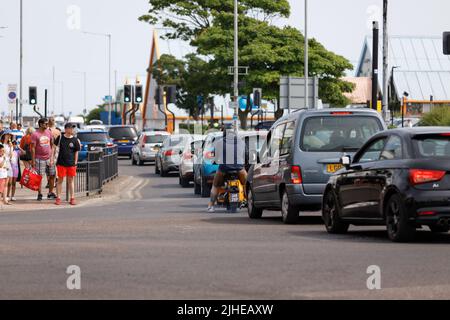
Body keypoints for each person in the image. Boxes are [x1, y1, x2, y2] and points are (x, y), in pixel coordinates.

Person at [207, 129, 247, 213]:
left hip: (224, 168)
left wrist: (215, 161)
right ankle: (250, 201)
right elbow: (245, 155)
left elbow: (216, 156)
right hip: (239, 168)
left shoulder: (219, 142)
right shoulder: (241, 142)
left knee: (215, 185)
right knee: (247, 184)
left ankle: (211, 206)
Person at [54, 123, 81, 206]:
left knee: (71, 181)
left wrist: (75, 162)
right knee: (60, 181)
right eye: (70, 128)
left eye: (73, 128)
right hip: (61, 163)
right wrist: (52, 158)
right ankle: (58, 198)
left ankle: (72, 198)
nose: (72, 130)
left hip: (71, 164)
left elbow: (76, 151)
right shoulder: (60, 138)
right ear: (66, 129)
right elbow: (54, 147)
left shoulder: (75, 140)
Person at [31, 118, 56, 201]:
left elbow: (53, 145)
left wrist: (52, 157)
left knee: (52, 175)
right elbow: (33, 148)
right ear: (40, 124)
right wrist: (33, 160)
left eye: (47, 124)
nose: (47, 125)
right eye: (45, 124)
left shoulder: (49, 132)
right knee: (39, 177)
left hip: (49, 158)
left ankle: (50, 193)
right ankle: (39, 193)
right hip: (39, 159)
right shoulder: (35, 134)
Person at [1, 131, 14, 205]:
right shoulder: (1, 144)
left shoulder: (10, 145)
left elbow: (11, 156)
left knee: (7, 182)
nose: (9, 136)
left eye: (10, 135)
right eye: (7, 135)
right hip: (2, 164)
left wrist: (11, 147)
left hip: (8, 163)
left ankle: (5, 199)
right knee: (2, 182)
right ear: (4, 135)